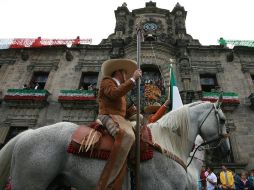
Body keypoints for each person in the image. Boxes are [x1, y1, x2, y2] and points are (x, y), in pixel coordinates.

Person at [96, 59, 142, 190]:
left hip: (118, 117)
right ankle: (109, 181)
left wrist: (131, 111)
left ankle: (130, 164)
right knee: (126, 136)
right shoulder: (107, 81)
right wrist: (132, 79)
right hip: (107, 115)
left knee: (139, 123)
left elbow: (121, 110)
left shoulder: (120, 87)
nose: (127, 75)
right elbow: (114, 94)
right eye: (125, 73)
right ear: (118, 72)